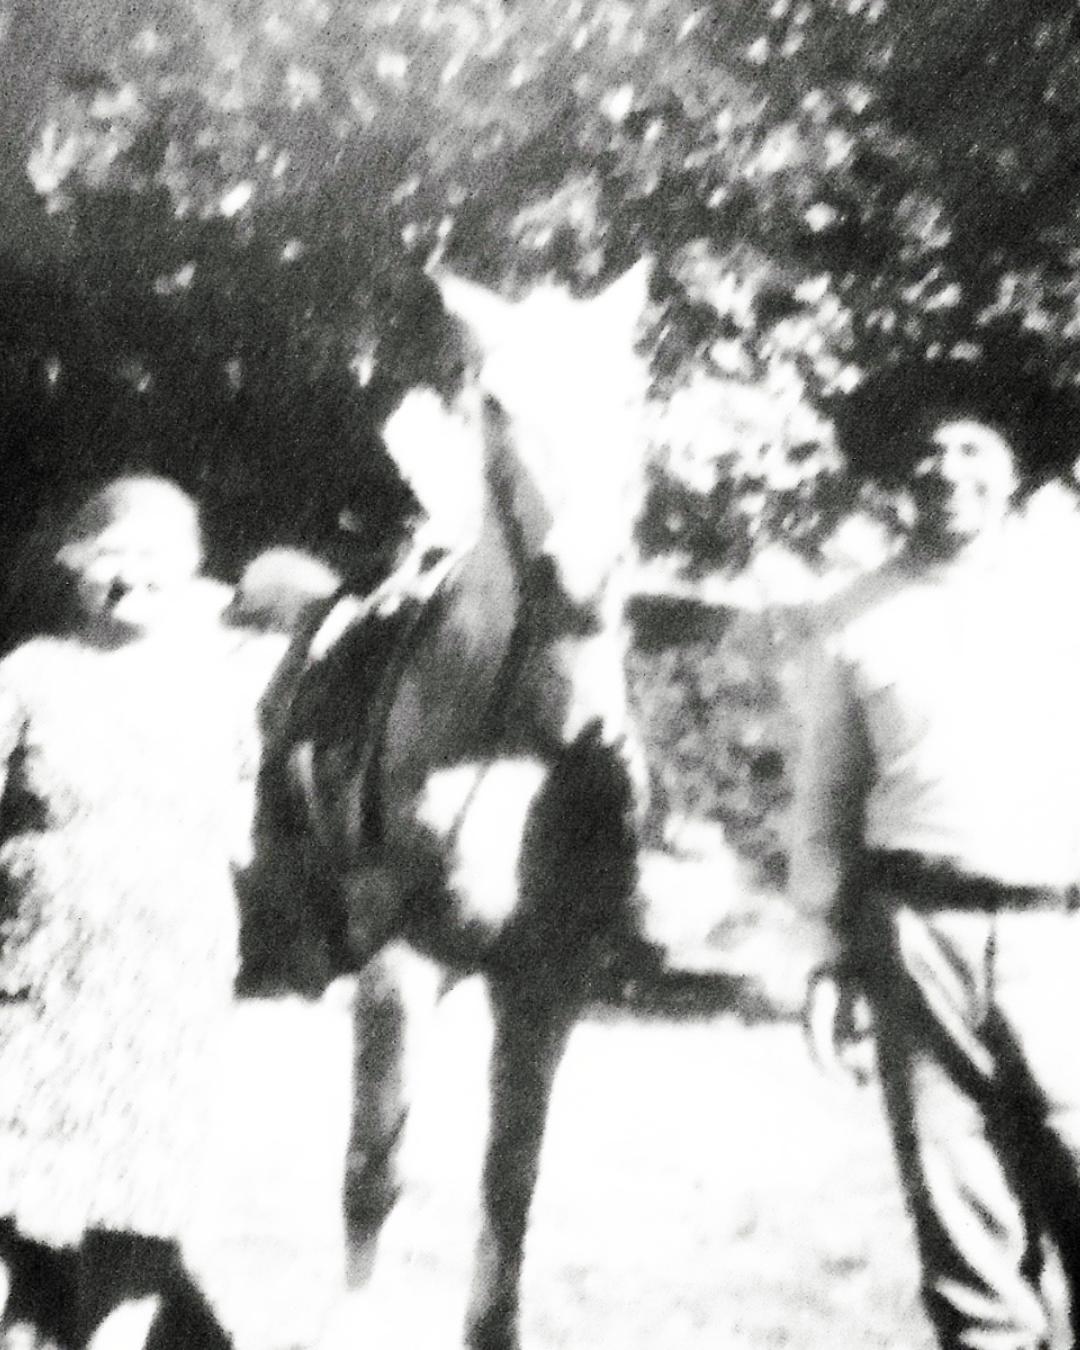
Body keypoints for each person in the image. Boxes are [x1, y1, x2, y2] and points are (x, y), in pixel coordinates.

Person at [792, 371, 1080, 1350]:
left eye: (971, 448)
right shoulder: (852, 617)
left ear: (1015, 469)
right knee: (963, 1228)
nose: (944, 469)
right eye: (926, 450)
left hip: (1062, 932)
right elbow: (824, 803)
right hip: (913, 936)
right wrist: (829, 950)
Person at [0, 475, 239, 1350]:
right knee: (16, 1197)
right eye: (113, 556)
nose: (133, 576)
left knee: (141, 1211)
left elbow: (240, 827)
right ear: (75, 568)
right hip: (39, 996)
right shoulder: (24, 677)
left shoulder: (220, 691)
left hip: (164, 1001)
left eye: (156, 557)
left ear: (191, 572)